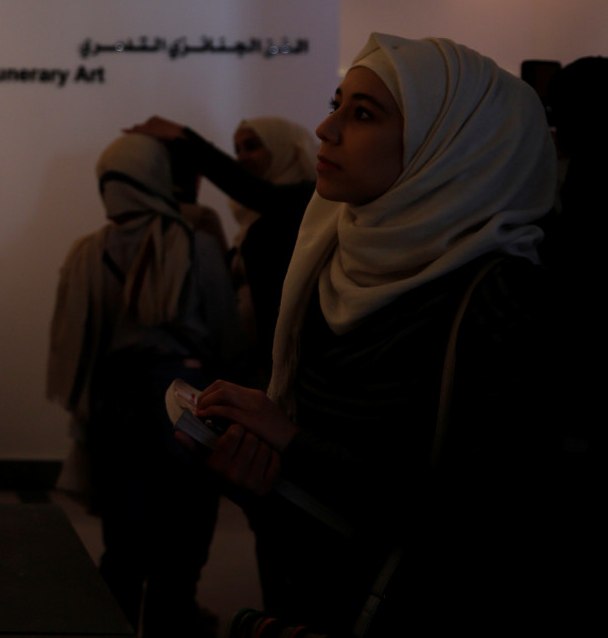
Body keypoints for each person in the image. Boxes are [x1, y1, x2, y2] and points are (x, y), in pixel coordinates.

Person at [186, 34, 556, 635]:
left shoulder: (500, 297)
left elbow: (487, 516)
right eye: (337, 103)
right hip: (319, 598)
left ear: (450, 147)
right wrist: (256, 475)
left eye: (362, 114)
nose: (326, 130)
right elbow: (329, 488)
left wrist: (288, 439)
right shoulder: (328, 265)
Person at [47, 134, 240, 637]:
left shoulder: (89, 252)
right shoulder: (195, 245)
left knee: (123, 546)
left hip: (117, 410)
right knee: (182, 547)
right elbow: (225, 334)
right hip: (188, 410)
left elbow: (77, 343)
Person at [129, 115, 317, 384]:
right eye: (237, 150)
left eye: (251, 146)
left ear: (285, 149)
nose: (241, 158)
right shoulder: (252, 221)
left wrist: (185, 137)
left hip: (296, 370)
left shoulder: (307, 209)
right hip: (260, 366)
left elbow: (260, 194)